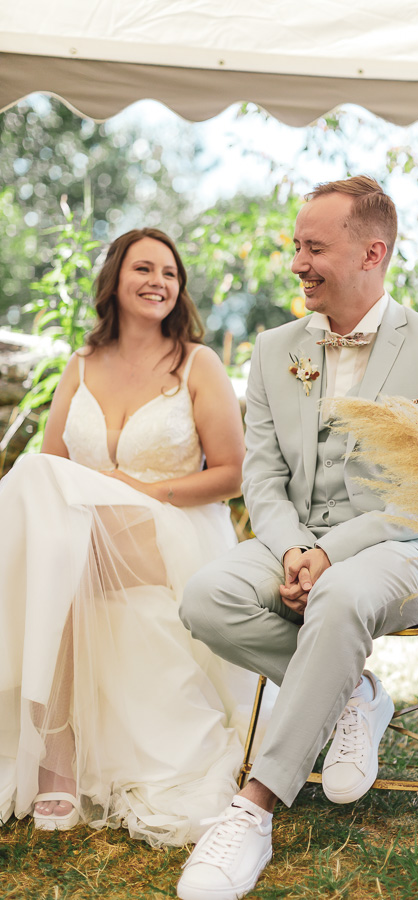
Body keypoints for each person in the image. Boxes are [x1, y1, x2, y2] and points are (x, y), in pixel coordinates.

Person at [177, 176, 418, 899]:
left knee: (338, 592)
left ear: (372, 252)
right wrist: (291, 549)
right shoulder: (276, 349)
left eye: (315, 247)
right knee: (207, 598)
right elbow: (264, 477)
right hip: (295, 541)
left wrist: (329, 555)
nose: (298, 263)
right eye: (297, 246)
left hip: (407, 548)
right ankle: (353, 694)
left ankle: (254, 810)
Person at [0, 227, 258, 847]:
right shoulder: (81, 365)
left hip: (170, 525)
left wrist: (141, 490)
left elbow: (231, 474)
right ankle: (55, 744)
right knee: (40, 488)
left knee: (39, 508)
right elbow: (52, 463)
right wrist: (93, 498)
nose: (158, 282)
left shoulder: (198, 362)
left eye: (169, 273)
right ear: (115, 278)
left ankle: (54, 756)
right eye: (143, 268)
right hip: (84, 532)